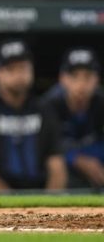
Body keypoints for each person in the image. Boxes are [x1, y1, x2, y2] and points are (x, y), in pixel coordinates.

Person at [0, 39, 67, 192]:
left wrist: (49, 208)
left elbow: (56, 164)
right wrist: (10, 209)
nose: (19, 75)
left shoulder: (44, 109)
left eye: (23, 68)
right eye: (11, 69)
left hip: (40, 194)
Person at [41, 48, 104, 188]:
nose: (81, 84)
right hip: (65, 169)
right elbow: (45, 149)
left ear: (97, 79)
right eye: (74, 76)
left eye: (87, 76)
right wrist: (78, 160)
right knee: (57, 165)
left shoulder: (101, 103)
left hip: (98, 164)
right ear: (62, 79)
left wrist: (92, 162)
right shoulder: (49, 105)